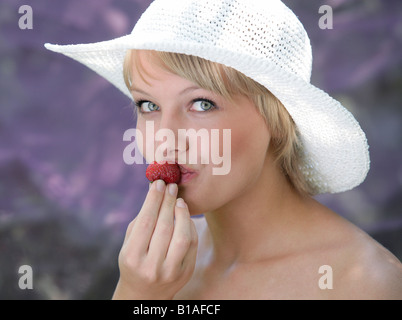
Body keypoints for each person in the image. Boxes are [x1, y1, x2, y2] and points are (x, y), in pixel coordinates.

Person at [45, 0, 402, 299]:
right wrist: (136, 294)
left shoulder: (365, 284)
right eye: (148, 106)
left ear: (278, 122)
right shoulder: (159, 265)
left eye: (201, 104)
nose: (165, 139)